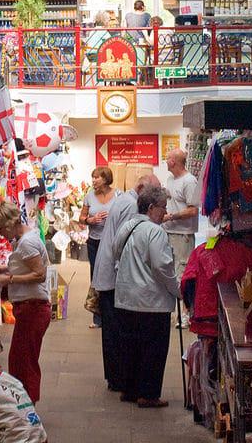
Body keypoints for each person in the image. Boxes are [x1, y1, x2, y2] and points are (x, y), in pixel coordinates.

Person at [113, 182, 181, 408]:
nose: (165, 212)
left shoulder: (128, 226)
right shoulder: (155, 231)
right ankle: (148, 394)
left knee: (130, 347)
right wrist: (177, 290)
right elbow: (162, 266)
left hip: (125, 298)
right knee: (153, 350)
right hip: (151, 302)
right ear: (151, 207)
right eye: (163, 207)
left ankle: (129, 390)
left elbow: (116, 251)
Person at [92, 174, 154, 393]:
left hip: (109, 272)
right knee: (116, 330)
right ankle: (118, 378)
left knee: (112, 329)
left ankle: (115, 377)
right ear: (140, 188)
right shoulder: (130, 205)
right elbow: (123, 240)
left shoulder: (123, 200)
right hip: (113, 276)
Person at [0, 202, 50, 403]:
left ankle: (27, 406)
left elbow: (39, 274)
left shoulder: (26, 243)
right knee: (19, 359)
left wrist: (10, 279)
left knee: (24, 361)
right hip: (28, 308)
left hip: (34, 308)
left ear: (8, 224)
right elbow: (25, 266)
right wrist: (6, 269)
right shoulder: (23, 240)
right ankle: (23, 403)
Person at [162, 148, 199, 327]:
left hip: (182, 235)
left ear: (174, 162)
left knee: (182, 274)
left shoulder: (189, 181)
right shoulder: (170, 180)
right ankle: (174, 312)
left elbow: (193, 210)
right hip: (169, 232)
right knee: (170, 273)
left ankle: (185, 314)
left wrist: (171, 216)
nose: (165, 160)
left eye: (168, 158)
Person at [81, 166, 117, 328]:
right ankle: (98, 317)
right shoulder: (89, 196)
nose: (94, 180)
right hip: (94, 242)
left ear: (106, 179)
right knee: (96, 278)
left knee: (112, 276)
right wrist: (90, 220)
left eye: (97, 177)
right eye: (93, 177)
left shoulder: (118, 195)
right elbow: (82, 217)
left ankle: (113, 314)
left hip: (112, 242)